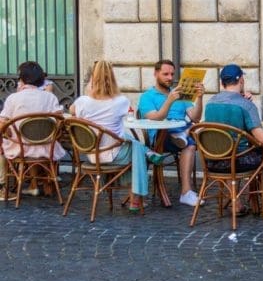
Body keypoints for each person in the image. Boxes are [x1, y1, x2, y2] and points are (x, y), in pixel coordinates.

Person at [70, 61, 166, 211]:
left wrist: (89, 92)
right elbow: (129, 116)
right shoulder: (121, 102)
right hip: (113, 155)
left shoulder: (82, 102)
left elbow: (72, 111)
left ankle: (146, 154)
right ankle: (135, 198)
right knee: (136, 149)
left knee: (127, 139)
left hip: (92, 154)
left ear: (92, 80)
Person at [204, 64, 263, 219]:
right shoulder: (245, 105)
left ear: (222, 83)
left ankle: (236, 204)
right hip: (239, 162)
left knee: (231, 149)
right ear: (242, 80)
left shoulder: (210, 103)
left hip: (213, 162)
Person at [138, 59, 204, 207]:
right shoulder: (147, 96)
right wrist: (169, 100)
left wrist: (199, 97)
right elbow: (156, 118)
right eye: (165, 74)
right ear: (156, 74)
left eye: (172, 74)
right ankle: (183, 135)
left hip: (181, 132)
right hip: (161, 136)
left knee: (191, 143)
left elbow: (195, 117)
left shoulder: (180, 94)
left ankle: (186, 193)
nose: (170, 78)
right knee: (187, 137)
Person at [0, 61, 65, 199]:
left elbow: (2, 124)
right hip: (47, 149)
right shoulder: (50, 97)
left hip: (20, 149)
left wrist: (9, 134)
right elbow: (60, 121)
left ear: (22, 78)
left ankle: (4, 186)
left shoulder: (13, 98)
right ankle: (45, 181)